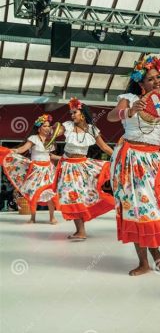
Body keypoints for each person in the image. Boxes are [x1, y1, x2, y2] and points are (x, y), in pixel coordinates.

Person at [107, 56, 160, 276]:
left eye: (158, 77)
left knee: (153, 209)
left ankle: (154, 255)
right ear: (140, 83)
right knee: (137, 209)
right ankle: (147, 260)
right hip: (131, 160)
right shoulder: (128, 98)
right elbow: (111, 116)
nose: (157, 82)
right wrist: (131, 110)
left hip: (155, 163)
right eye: (151, 79)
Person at [51, 97, 114, 240]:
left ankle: (81, 231)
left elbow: (104, 147)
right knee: (72, 197)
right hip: (68, 167)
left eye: (74, 113)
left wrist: (117, 156)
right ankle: (80, 230)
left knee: (80, 197)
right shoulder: (67, 125)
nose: (72, 115)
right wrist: (54, 129)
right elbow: (58, 131)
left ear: (83, 115)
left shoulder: (92, 129)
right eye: (71, 113)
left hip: (83, 167)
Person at [0, 114, 57, 223]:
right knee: (34, 193)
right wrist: (13, 151)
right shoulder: (34, 138)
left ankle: (52, 217)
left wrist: (64, 159)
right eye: (45, 126)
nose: (48, 128)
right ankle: (33, 218)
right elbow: (23, 149)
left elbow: (50, 156)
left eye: (49, 126)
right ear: (39, 127)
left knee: (50, 193)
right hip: (36, 170)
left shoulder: (50, 140)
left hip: (48, 170)